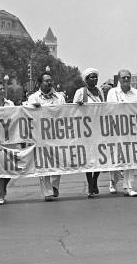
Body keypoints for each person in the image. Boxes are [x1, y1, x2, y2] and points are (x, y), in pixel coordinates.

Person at [27, 72, 66, 201]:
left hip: (56, 134)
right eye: (46, 81)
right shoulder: (33, 98)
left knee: (58, 161)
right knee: (43, 163)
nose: (49, 83)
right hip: (40, 136)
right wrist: (34, 108)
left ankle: (54, 186)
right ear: (40, 83)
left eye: (50, 80)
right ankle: (47, 191)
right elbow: (28, 114)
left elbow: (66, 112)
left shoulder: (59, 97)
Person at [107, 69, 137, 197]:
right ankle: (113, 181)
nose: (126, 79)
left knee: (129, 158)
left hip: (131, 131)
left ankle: (128, 186)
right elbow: (109, 111)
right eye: (123, 77)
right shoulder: (112, 92)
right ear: (119, 79)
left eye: (128, 77)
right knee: (116, 158)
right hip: (116, 130)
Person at [73, 68, 104, 198]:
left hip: (99, 129)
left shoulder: (100, 92)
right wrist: (78, 105)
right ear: (86, 80)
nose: (95, 79)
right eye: (92, 77)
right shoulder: (81, 92)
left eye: (96, 77)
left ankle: (95, 179)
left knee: (99, 157)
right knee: (88, 157)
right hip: (86, 130)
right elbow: (73, 109)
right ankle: (90, 183)